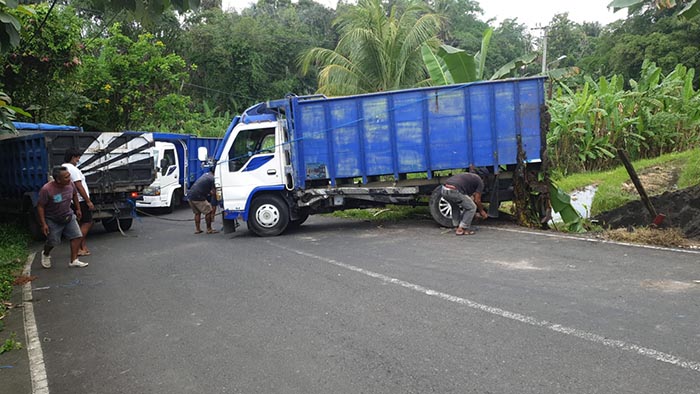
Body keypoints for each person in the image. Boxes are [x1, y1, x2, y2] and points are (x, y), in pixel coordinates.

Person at [37, 166, 89, 268]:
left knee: (77, 236)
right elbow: (40, 206)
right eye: (66, 177)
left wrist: (78, 209)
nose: (69, 179)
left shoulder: (70, 184)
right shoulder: (47, 189)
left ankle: (73, 260)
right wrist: (44, 224)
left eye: (69, 176)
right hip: (53, 219)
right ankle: (46, 254)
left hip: (68, 215)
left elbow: (74, 195)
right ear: (58, 180)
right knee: (53, 241)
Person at [63, 148, 94, 256]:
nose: (78, 161)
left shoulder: (63, 167)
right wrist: (88, 201)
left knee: (80, 223)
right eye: (77, 158)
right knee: (87, 222)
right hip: (80, 200)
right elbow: (79, 186)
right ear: (72, 157)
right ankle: (77, 246)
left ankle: (83, 248)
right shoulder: (73, 170)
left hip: (71, 200)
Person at [188, 166, 218, 234]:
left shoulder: (205, 175)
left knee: (197, 213)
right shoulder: (212, 178)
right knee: (209, 211)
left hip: (190, 195)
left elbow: (204, 187)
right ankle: (209, 229)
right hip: (198, 196)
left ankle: (198, 229)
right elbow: (213, 192)